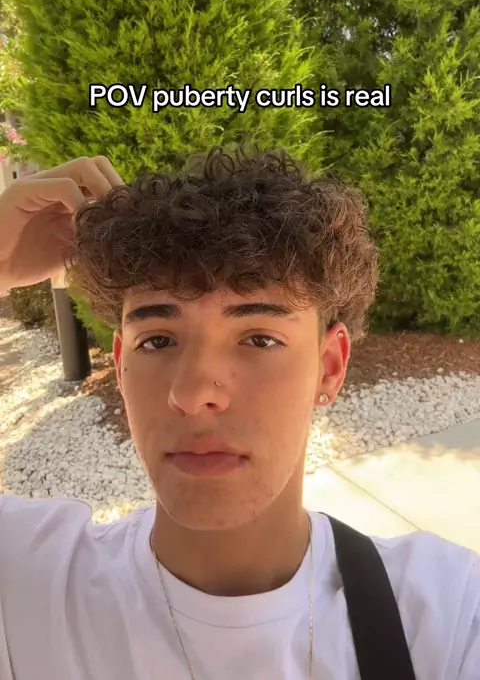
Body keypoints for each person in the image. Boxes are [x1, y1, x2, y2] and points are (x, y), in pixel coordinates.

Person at [0, 146, 478, 680]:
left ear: (329, 367)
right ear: (120, 365)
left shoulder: (447, 614)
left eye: (259, 339)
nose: (194, 393)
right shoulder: (27, 587)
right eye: (157, 340)